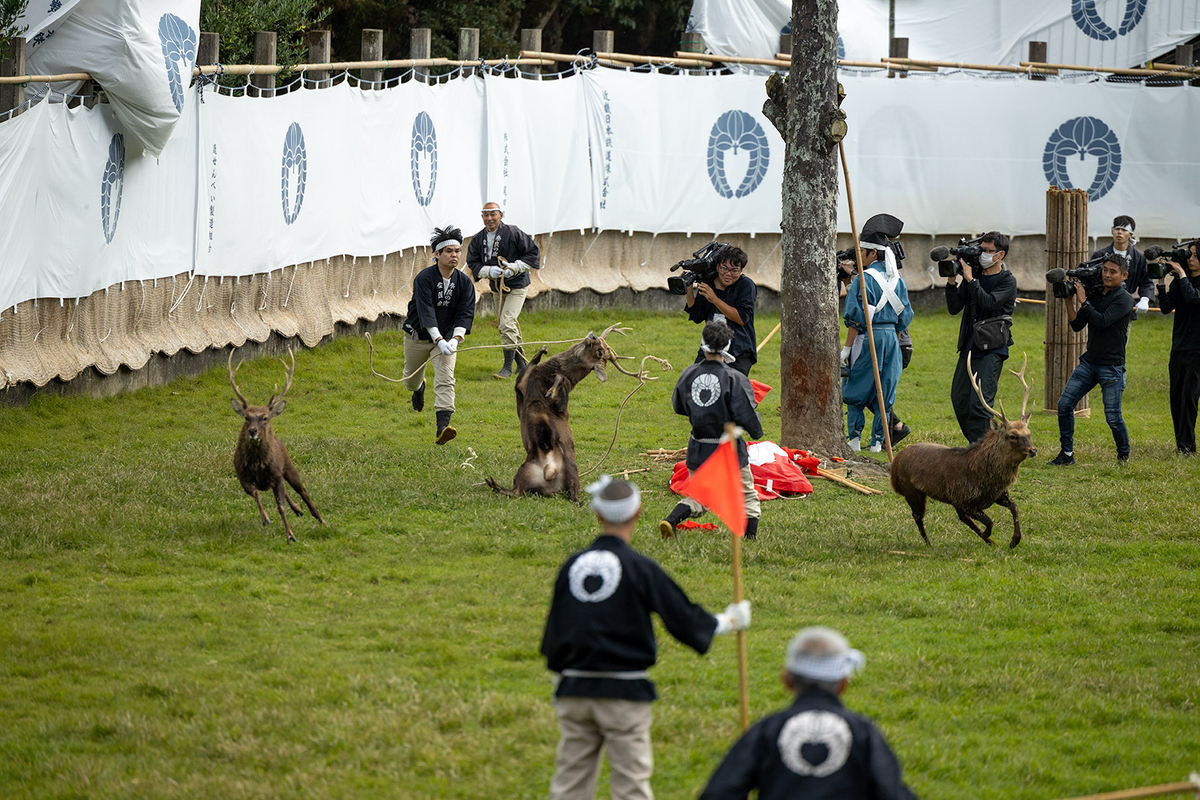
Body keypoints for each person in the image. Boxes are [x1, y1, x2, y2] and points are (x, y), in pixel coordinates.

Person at [541, 475, 751, 800]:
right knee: (631, 785)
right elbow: (681, 617)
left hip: (573, 690)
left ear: (597, 514)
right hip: (624, 693)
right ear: (638, 512)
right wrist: (727, 621)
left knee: (570, 783)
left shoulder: (572, 565)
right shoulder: (640, 568)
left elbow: (555, 627)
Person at [698, 626, 918, 800]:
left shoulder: (767, 731)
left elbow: (719, 792)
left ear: (786, 680)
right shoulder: (863, 733)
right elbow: (891, 793)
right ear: (843, 684)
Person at [660, 321, 764, 540]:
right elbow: (746, 414)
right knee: (746, 495)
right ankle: (750, 538)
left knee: (702, 496)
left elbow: (679, 406)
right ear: (727, 346)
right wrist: (756, 431)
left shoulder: (688, 374)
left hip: (698, 447)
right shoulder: (735, 378)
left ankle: (671, 520)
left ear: (703, 344)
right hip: (729, 451)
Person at [1050, 254, 1135, 465]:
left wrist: (1084, 301)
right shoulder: (1096, 295)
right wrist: (1069, 302)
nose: (1106, 274)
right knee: (1064, 405)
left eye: (1112, 272)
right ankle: (1066, 455)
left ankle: (1123, 457)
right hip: (1089, 363)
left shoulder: (1124, 299)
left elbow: (1103, 321)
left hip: (1112, 367)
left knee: (1113, 417)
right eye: (1105, 270)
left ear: (1123, 275)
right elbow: (1077, 325)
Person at [840, 214, 914, 452]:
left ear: (873, 253)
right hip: (892, 338)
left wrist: (847, 349)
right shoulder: (897, 281)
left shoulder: (863, 279)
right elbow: (906, 316)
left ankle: (854, 440)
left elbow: (855, 317)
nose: (858, 256)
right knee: (886, 387)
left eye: (862, 251)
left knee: (857, 386)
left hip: (866, 337)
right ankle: (878, 442)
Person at [401, 226, 476, 445]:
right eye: (449, 251)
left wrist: (454, 339)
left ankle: (442, 427)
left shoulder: (464, 283)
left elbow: (465, 313)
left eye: (458, 251)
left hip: (446, 341)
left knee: (445, 377)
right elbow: (426, 311)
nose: (455, 255)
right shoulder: (424, 278)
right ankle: (419, 387)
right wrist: (439, 339)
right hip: (418, 336)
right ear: (437, 254)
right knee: (409, 381)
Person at [946, 231, 1017, 445]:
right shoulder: (974, 277)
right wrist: (952, 281)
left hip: (992, 349)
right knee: (959, 399)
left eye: (988, 251)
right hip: (969, 346)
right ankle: (978, 446)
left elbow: (988, 302)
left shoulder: (1007, 280)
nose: (983, 255)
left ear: (1000, 255)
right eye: (981, 250)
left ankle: (980, 452)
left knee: (979, 404)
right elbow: (954, 307)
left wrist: (969, 279)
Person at [466, 202, 541, 379]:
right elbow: (473, 261)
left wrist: (514, 267)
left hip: (517, 285)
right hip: (497, 287)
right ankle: (523, 364)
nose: (490, 218)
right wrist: (487, 271)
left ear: (501, 215)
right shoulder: (478, 239)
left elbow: (532, 253)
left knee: (506, 323)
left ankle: (507, 368)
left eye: (493, 214)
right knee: (507, 325)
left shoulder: (513, 232)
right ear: (482, 217)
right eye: (486, 215)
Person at [1156, 240, 1200, 455]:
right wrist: (1162, 283)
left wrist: (1181, 274)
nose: (1191, 259)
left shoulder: (1189, 281)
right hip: (1179, 346)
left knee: (1190, 397)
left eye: (1195, 256)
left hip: (1197, 349)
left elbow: (1193, 299)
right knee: (1176, 397)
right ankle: (1181, 445)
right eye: (1189, 255)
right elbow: (1165, 308)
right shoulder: (1179, 282)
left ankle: (1189, 448)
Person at [686, 244, 758, 376]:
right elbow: (697, 316)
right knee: (698, 381)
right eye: (724, 268)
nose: (728, 274)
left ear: (741, 270)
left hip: (739, 349)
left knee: (733, 390)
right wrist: (689, 290)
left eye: (734, 270)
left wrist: (714, 299)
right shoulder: (708, 283)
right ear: (717, 266)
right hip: (711, 346)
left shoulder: (746, 285)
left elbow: (741, 318)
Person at [1093, 215, 1153, 315]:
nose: (1119, 232)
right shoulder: (1099, 255)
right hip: (1100, 306)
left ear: (1131, 234)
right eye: (1117, 229)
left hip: (1125, 307)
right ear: (1112, 231)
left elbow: (1146, 282)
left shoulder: (1139, 258)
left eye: (1124, 230)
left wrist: (1145, 299)